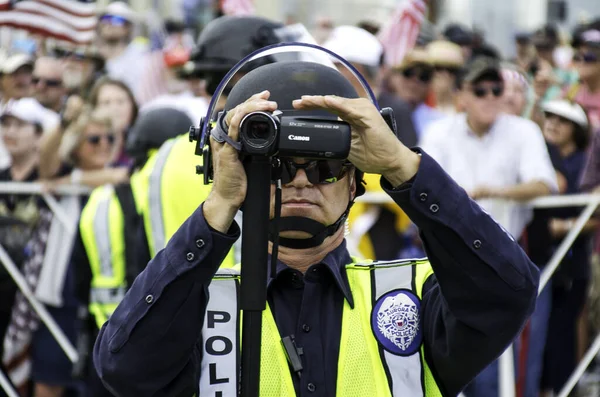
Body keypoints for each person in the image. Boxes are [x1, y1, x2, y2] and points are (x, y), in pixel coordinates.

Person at [94, 56, 540, 396]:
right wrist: (219, 203)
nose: (302, 182)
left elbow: (509, 292)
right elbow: (123, 369)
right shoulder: (198, 307)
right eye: (278, 167)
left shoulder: (412, 294)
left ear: (355, 184)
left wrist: (403, 166)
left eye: (326, 166)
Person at [420, 56, 557, 397]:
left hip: (506, 257)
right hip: (444, 258)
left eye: (497, 89)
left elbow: (544, 183)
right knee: (441, 353)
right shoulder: (439, 130)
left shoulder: (522, 129)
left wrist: (492, 191)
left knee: (512, 366)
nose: (491, 96)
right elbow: (421, 185)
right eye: (480, 90)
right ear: (461, 95)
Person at [133, 15, 285, 266]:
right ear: (247, 80)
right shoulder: (268, 151)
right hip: (253, 302)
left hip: (178, 297)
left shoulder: (167, 152)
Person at [73, 106, 193, 396]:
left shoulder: (101, 200)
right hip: (185, 344)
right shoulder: (200, 190)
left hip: (108, 346)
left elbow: (80, 277)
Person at [537, 100, 593, 396]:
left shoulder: (586, 162)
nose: (553, 123)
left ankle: (563, 389)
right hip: (541, 258)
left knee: (563, 330)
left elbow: (595, 216)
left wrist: (563, 228)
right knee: (541, 332)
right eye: (550, 116)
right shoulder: (541, 157)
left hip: (573, 261)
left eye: (563, 120)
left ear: (578, 129)